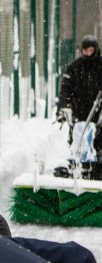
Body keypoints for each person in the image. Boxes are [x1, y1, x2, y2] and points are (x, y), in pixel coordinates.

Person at [57, 34, 102, 178]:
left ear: (95, 49)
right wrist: (64, 108)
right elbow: (65, 89)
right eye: (85, 51)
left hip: (98, 117)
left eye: (91, 50)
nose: (88, 54)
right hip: (79, 116)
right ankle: (75, 171)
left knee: (98, 148)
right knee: (77, 144)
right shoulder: (74, 68)